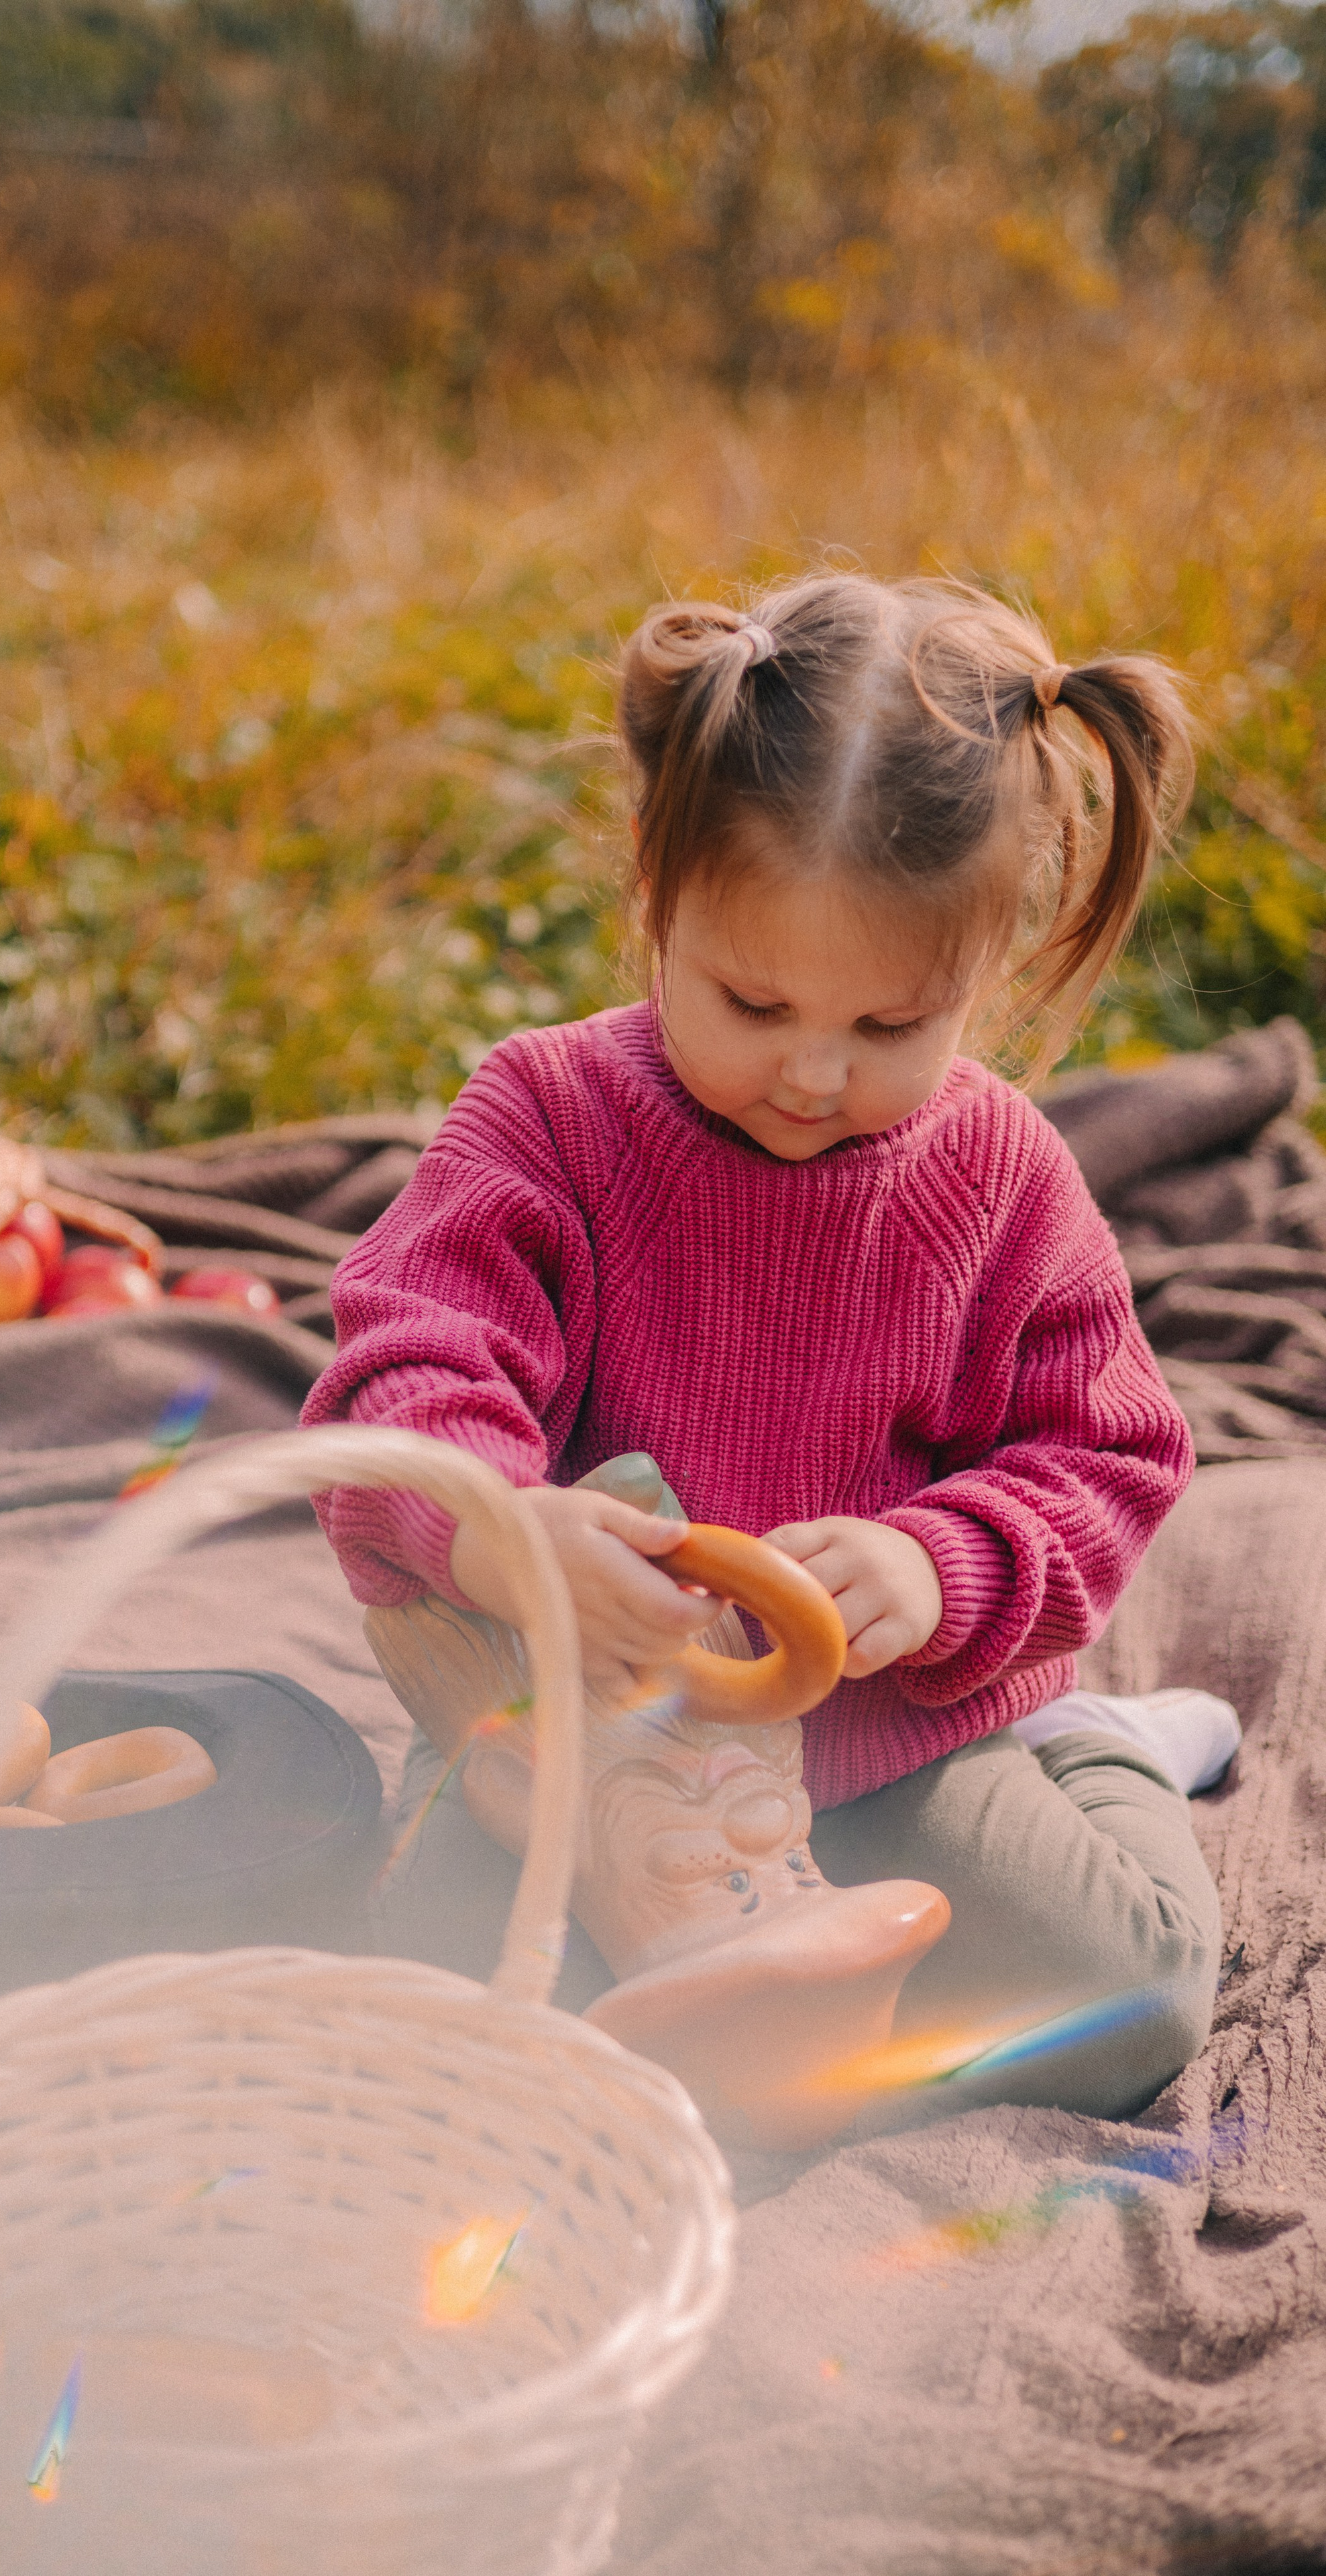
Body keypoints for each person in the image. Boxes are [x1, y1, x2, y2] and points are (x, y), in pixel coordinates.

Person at [302, 574, 1240, 2121]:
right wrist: (502, 1538)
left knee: (1129, 1990)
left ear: (980, 978)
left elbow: (1106, 1452)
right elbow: (401, 1379)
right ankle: (745, 2020)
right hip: (604, 1745)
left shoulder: (998, 1174)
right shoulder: (545, 1119)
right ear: (657, 910)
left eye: (889, 1029)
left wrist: (939, 1571)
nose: (810, 1071)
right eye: (752, 1000)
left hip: (896, 1738)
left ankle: (1098, 1751)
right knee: (433, 2017)